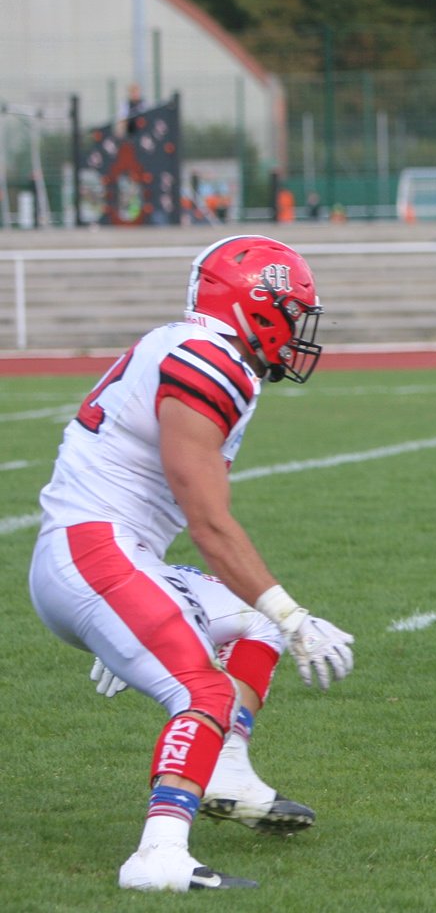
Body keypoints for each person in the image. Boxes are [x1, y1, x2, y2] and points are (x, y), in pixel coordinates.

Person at [27, 235, 356, 890]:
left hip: (104, 554)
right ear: (255, 308)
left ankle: (226, 770)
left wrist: (152, 594)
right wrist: (293, 614)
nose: (297, 333)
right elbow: (208, 523)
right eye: (291, 314)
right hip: (92, 554)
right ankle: (158, 855)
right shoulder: (207, 362)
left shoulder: (194, 348)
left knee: (253, 624)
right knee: (205, 687)